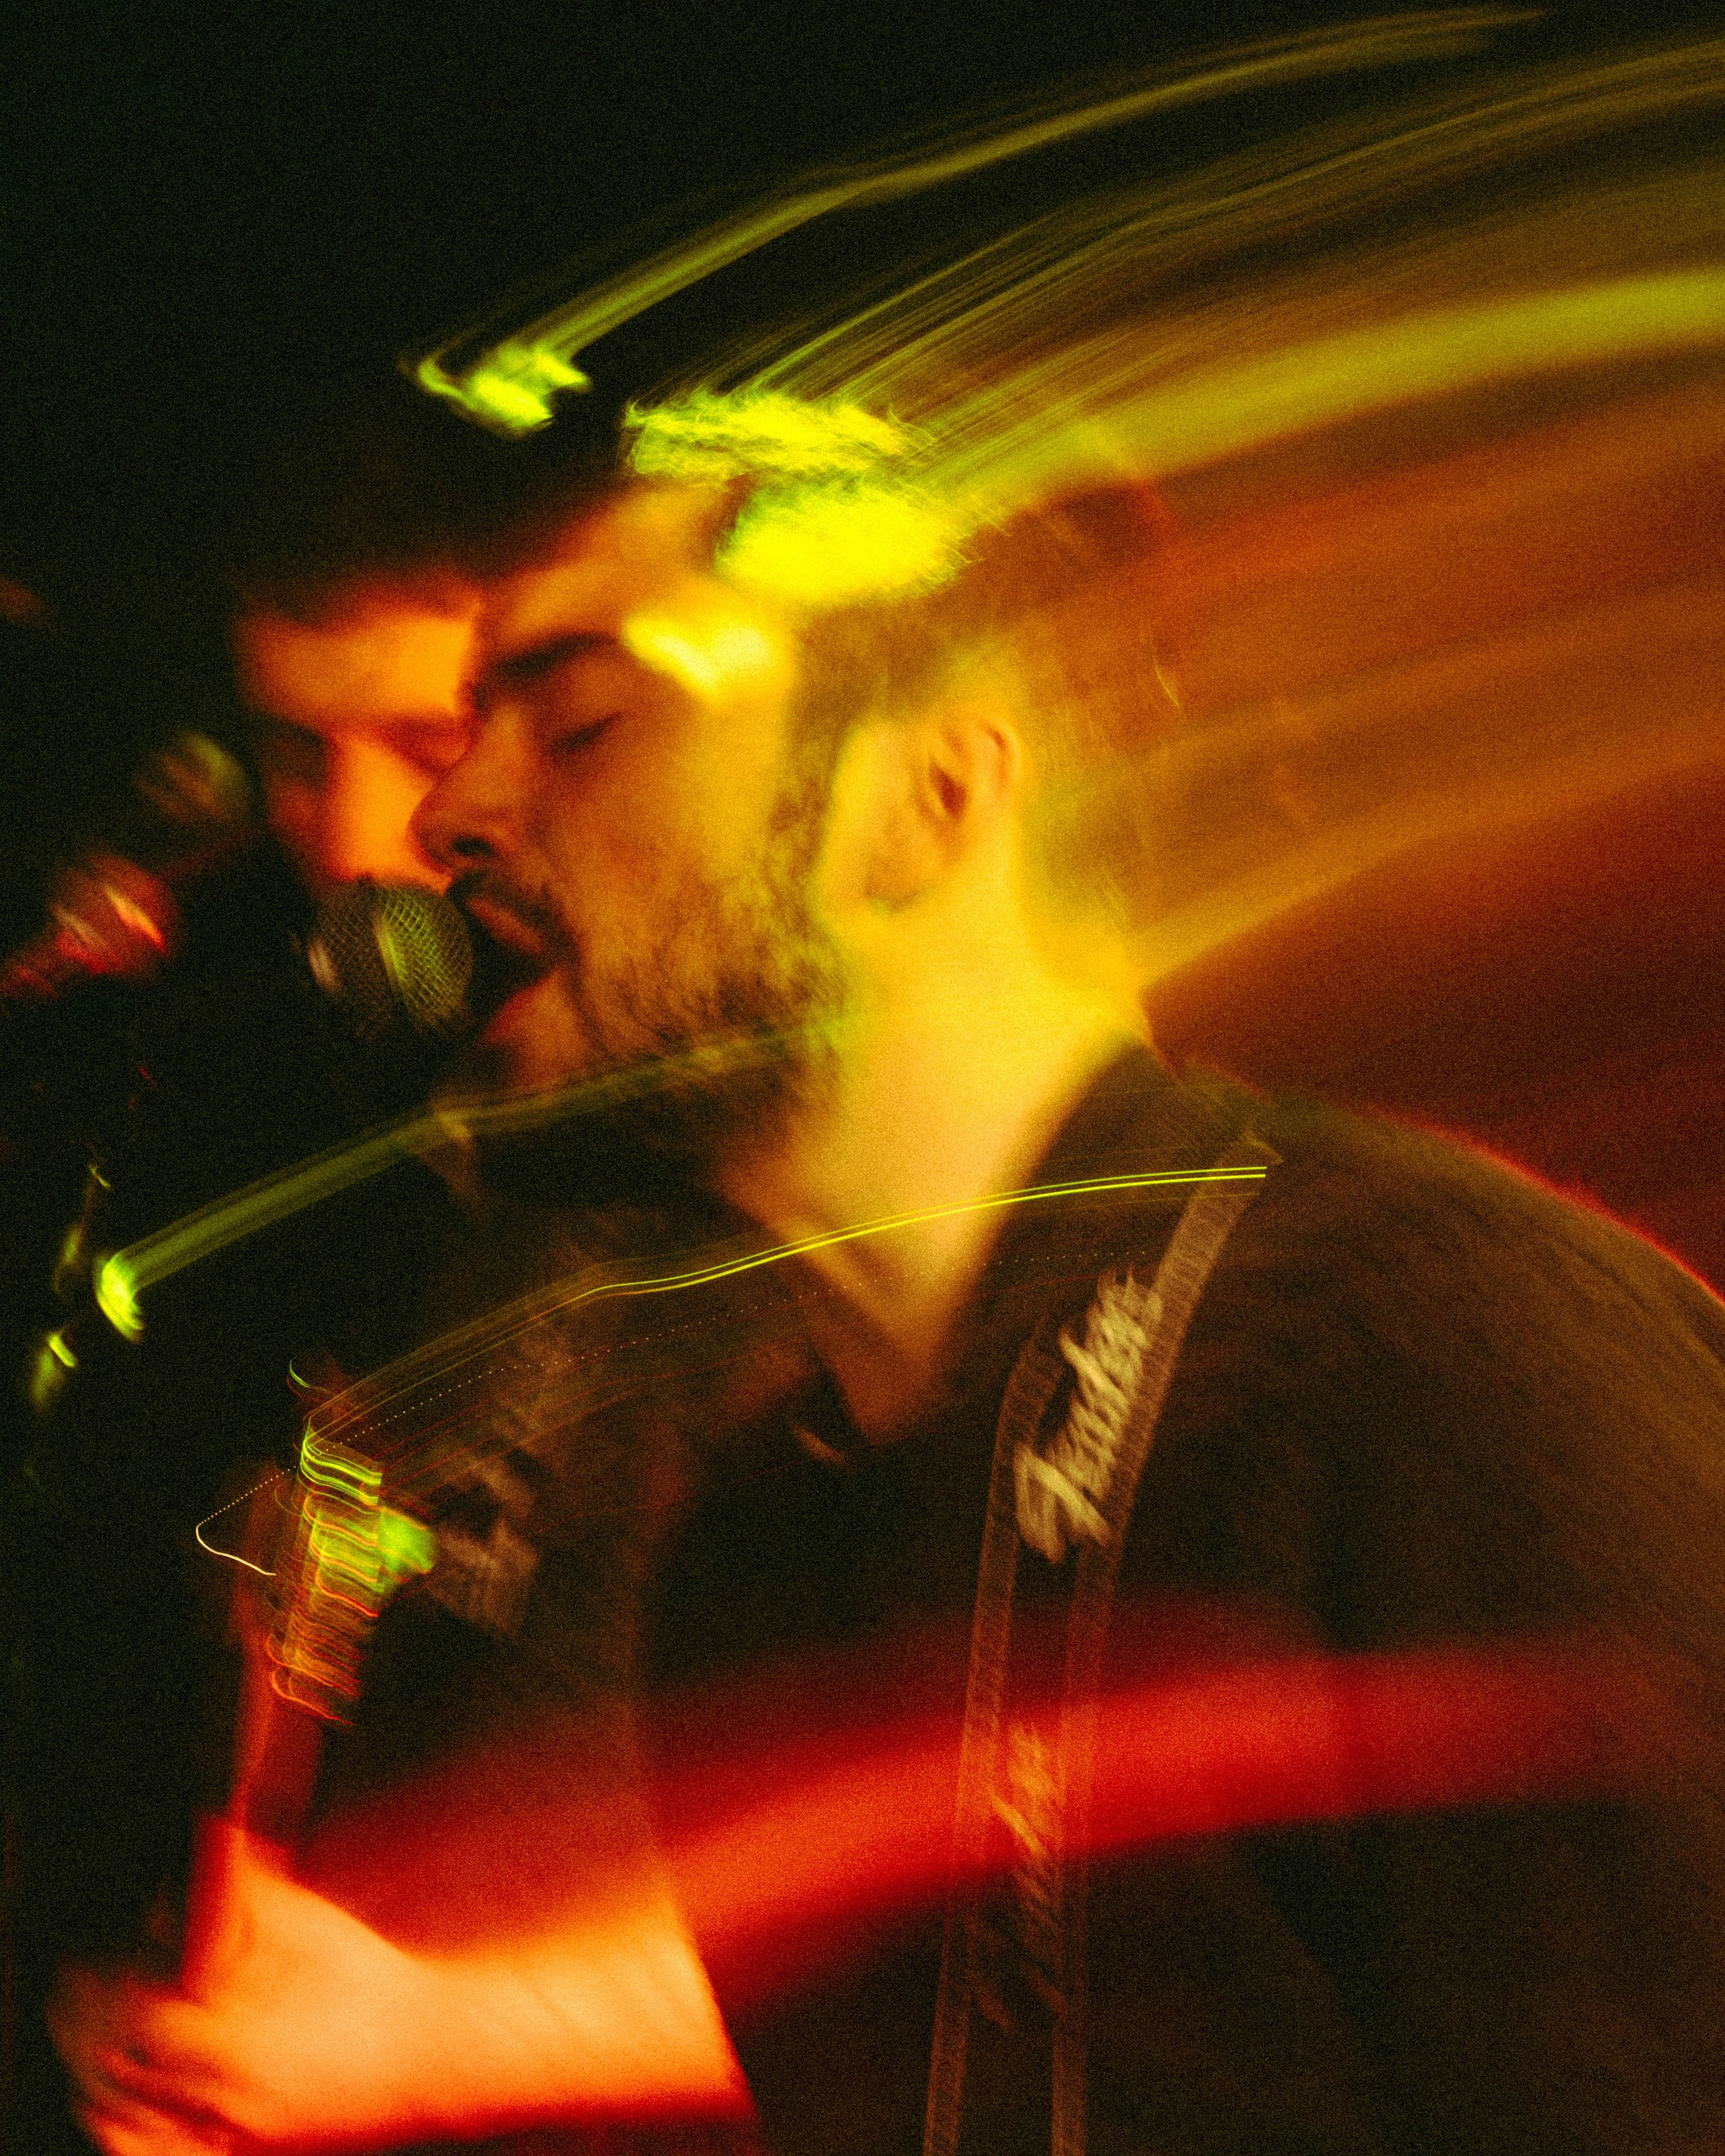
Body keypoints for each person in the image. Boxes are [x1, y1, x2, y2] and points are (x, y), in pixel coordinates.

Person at [51, 396, 1725, 2155]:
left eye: (585, 723)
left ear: (931, 793)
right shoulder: (760, 1553)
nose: (454, 811)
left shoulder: (1426, 1345)